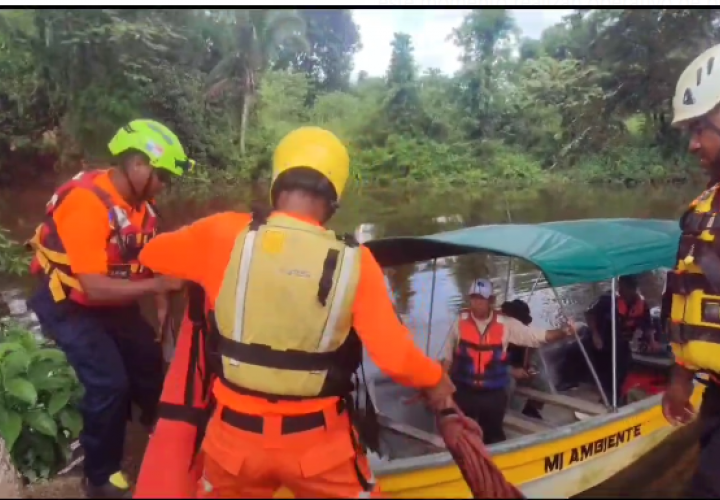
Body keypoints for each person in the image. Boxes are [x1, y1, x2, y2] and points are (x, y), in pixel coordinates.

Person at [132, 126, 456, 499]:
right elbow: (396, 357)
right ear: (334, 197)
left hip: (234, 442)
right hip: (319, 445)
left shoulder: (223, 233)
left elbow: (151, 254)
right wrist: (435, 379)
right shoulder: (356, 261)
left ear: (277, 182)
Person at [25, 119, 193, 498]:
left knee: (148, 358)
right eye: (162, 176)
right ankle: (99, 475)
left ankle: (157, 425)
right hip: (69, 301)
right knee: (108, 383)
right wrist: (159, 286)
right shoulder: (86, 203)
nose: (165, 186)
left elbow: (150, 258)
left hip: (110, 297)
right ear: (138, 165)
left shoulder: (140, 207)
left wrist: (162, 303)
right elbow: (95, 288)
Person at [661, 43, 720, 498]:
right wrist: (681, 377)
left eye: (701, 128)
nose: (693, 143)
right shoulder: (703, 208)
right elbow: (685, 295)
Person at [439, 279, 576, 444]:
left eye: (482, 298)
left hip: (493, 394)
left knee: (493, 437)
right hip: (465, 391)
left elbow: (536, 336)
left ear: (491, 300)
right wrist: (443, 392)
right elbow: (447, 358)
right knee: (463, 437)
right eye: (474, 298)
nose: (477, 303)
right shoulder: (459, 323)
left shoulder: (506, 324)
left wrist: (564, 332)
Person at [585, 274, 659, 405]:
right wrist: (595, 335)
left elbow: (647, 325)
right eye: (620, 287)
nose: (620, 290)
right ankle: (606, 399)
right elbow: (589, 314)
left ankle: (619, 397)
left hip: (622, 342)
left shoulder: (641, 304)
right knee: (607, 372)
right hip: (603, 342)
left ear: (632, 289)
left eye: (624, 288)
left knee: (624, 368)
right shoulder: (607, 300)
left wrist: (652, 341)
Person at [502, 299, 546, 420]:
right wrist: (511, 371)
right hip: (501, 373)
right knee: (509, 383)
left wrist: (532, 366)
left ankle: (530, 407)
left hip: (522, 371)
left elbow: (534, 353)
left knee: (542, 382)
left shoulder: (525, 334)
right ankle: (503, 414)